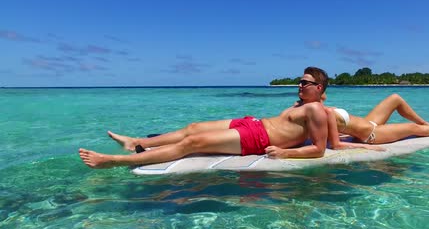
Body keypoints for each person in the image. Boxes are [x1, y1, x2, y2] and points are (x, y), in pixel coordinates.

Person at [79, 67, 332, 169]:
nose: (299, 85)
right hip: (253, 123)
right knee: (193, 127)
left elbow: (319, 149)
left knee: (193, 143)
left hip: (258, 137)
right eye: (299, 81)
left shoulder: (316, 110)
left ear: (319, 87)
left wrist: (285, 152)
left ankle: (114, 161)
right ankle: (136, 142)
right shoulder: (303, 104)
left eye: (305, 82)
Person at [322, 93, 429, 149]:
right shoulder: (314, 111)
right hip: (371, 135)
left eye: (305, 83)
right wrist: (366, 147)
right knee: (412, 128)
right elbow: (334, 143)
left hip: (368, 123)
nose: (302, 86)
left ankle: (427, 125)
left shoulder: (318, 105)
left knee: (395, 98)